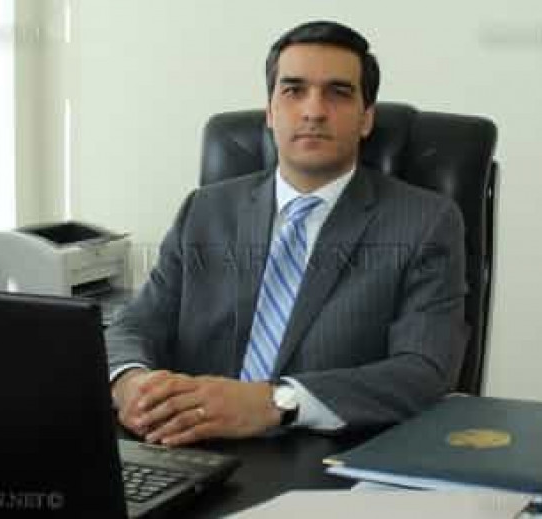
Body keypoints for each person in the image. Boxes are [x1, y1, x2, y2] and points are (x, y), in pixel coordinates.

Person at [106, 20, 468, 447]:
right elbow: (132, 327)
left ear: (366, 118)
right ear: (270, 111)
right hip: (186, 446)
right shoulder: (205, 210)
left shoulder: (425, 222)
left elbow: (423, 372)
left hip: (318, 455)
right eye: (294, 90)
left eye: (338, 92)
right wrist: (131, 384)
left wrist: (274, 402)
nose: (313, 111)